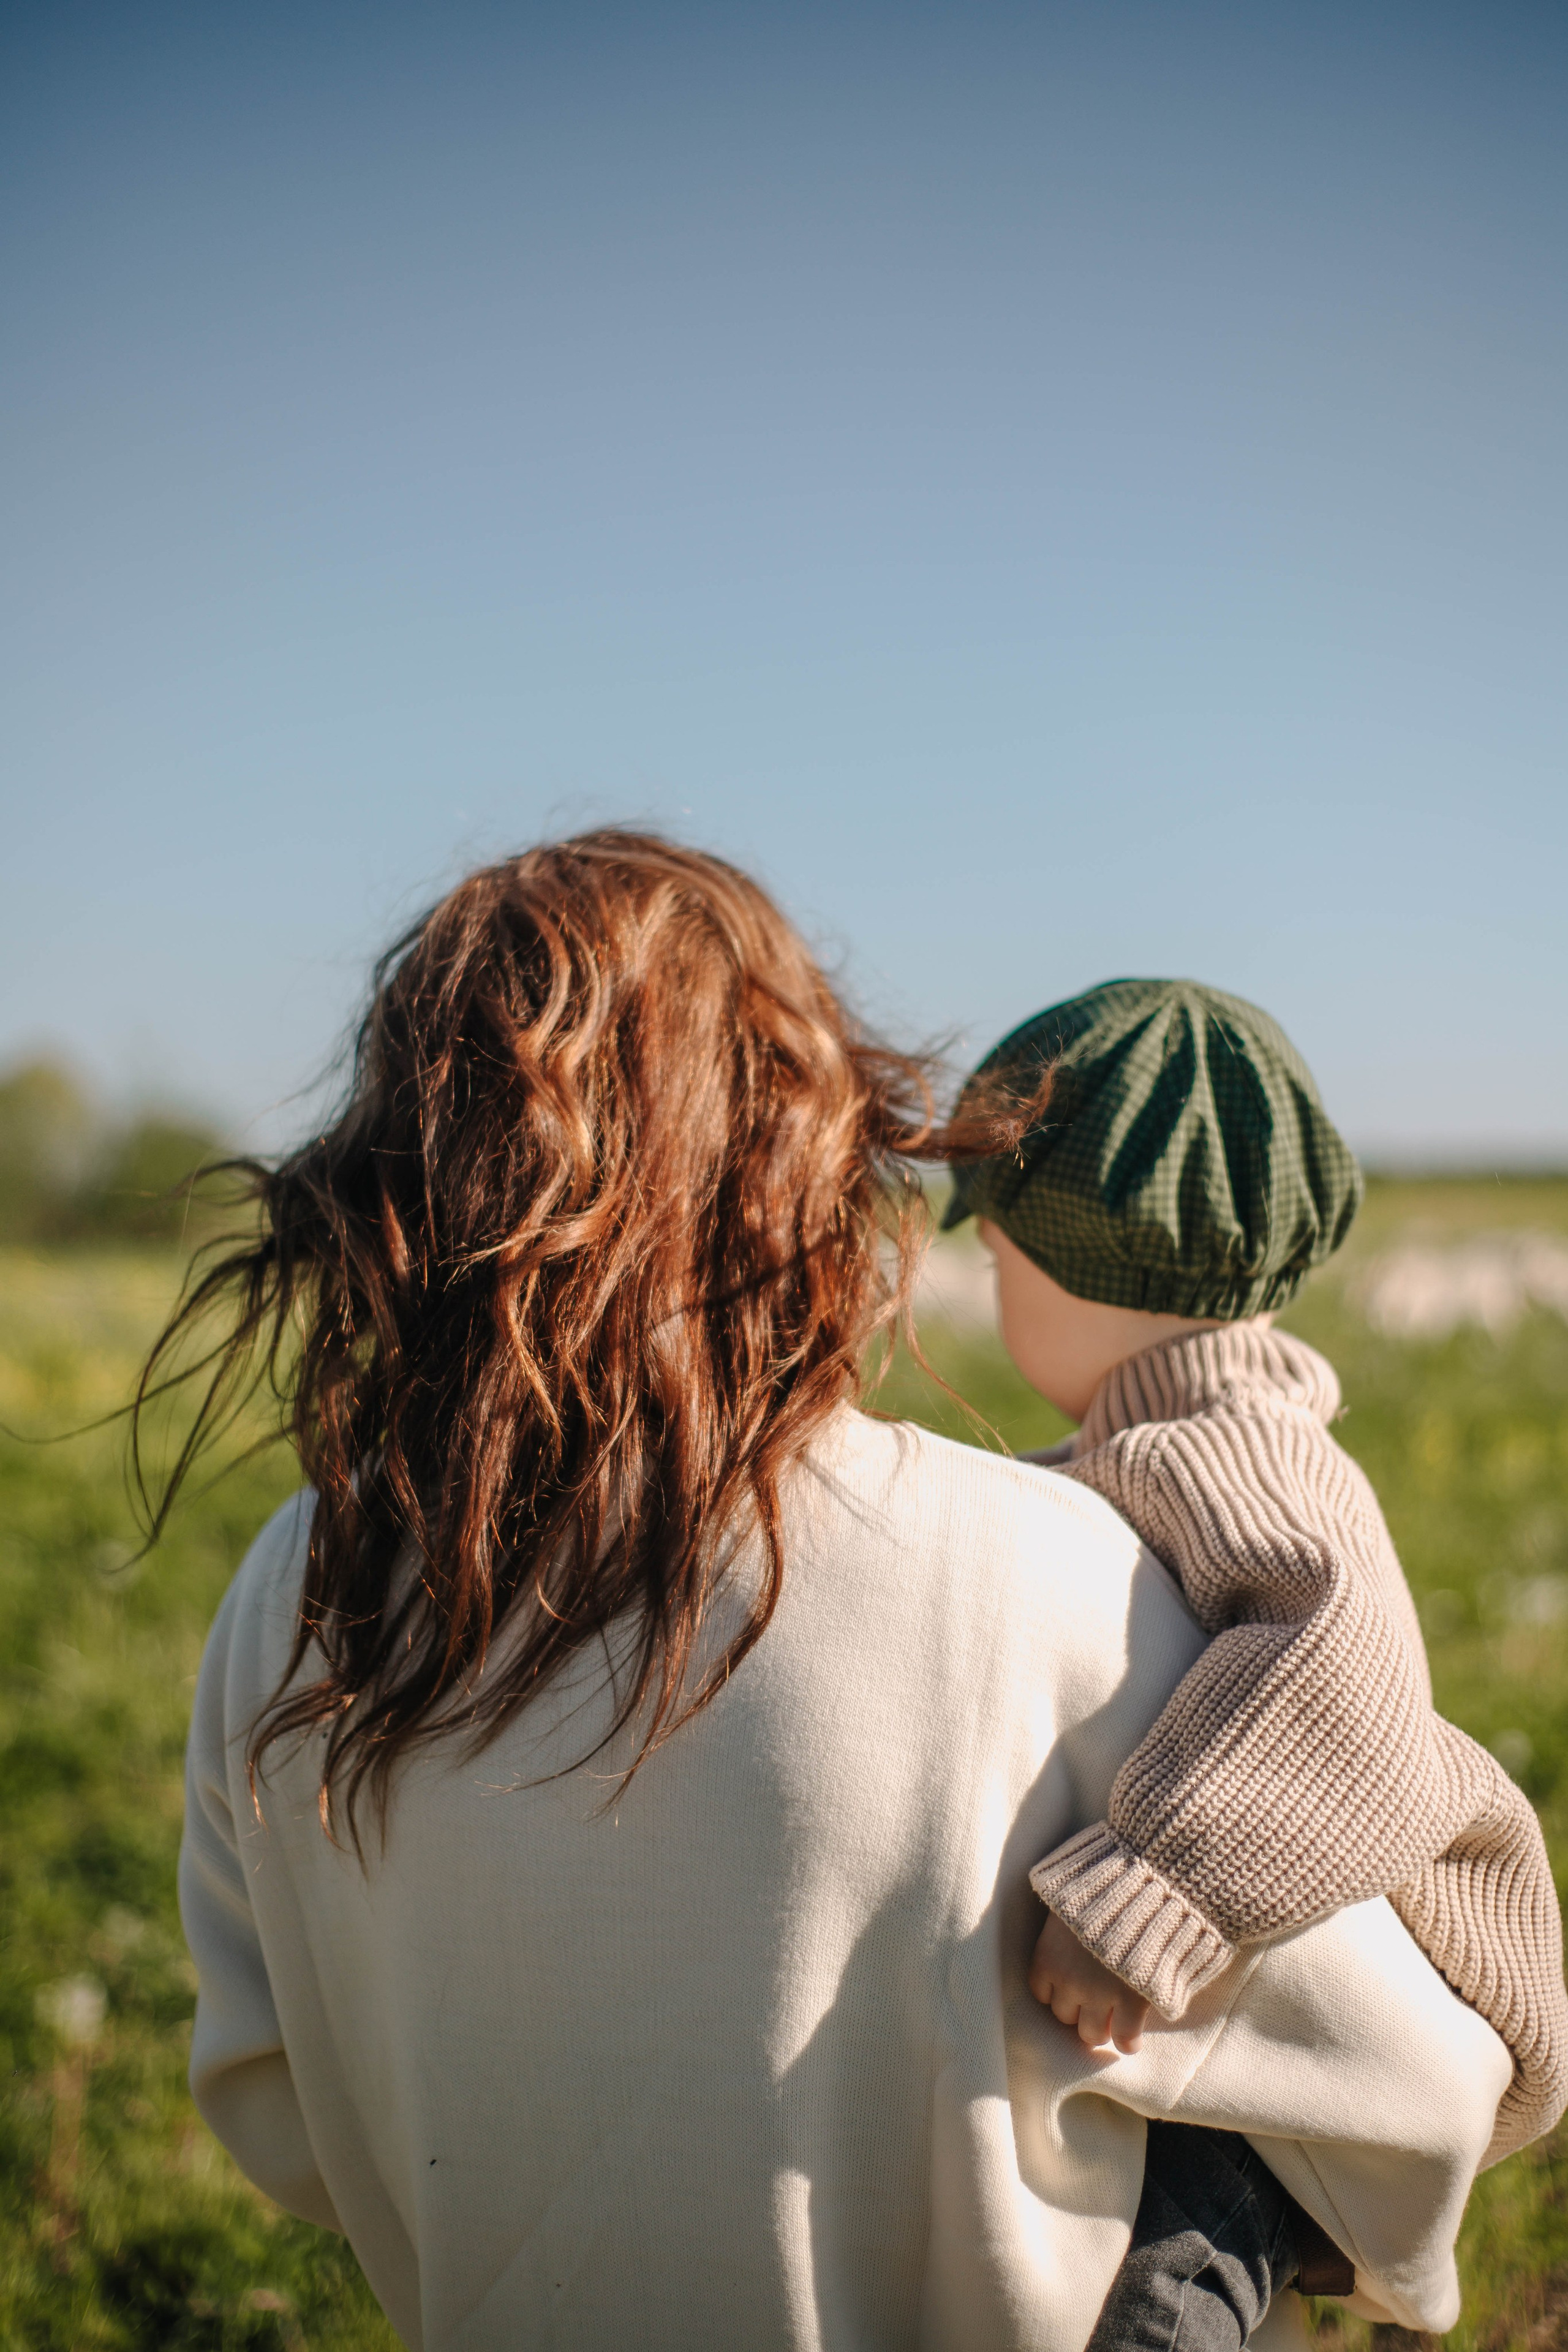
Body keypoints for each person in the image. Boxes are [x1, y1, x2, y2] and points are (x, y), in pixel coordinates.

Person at [165, 838, 1509, 2352]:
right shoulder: (1042, 1570)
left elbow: (279, 2113)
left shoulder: (300, 1584)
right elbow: (1413, 2089)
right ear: (796, 1148)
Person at [943, 978, 1568, 2345]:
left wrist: (1148, 1895)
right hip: (1277, 1966)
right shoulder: (1173, 1433)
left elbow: (1339, 1672)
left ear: (1071, 1263)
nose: (992, 1294)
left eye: (995, 1260)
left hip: (1335, 1980)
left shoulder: (1224, 1445)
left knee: (1160, 2281)